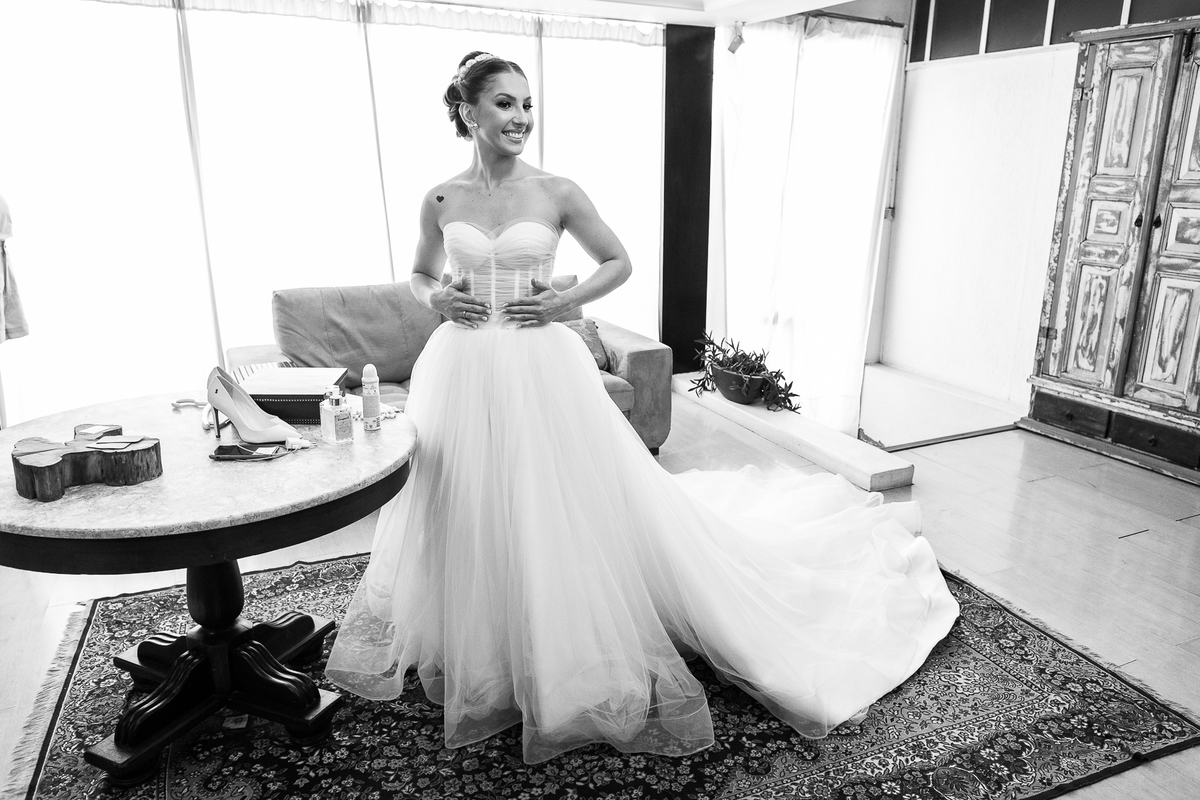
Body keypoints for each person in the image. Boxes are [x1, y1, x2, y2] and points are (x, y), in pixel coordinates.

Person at [326, 51, 959, 765]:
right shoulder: (441, 200)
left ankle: (560, 643)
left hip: (539, 365)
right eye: (505, 104)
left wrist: (564, 302)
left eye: (527, 104)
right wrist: (436, 296)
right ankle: (485, 643)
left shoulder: (557, 190)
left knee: (551, 500)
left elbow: (618, 261)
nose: (521, 117)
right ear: (469, 112)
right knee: (468, 500)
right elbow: (418, 273)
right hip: (462, 368)